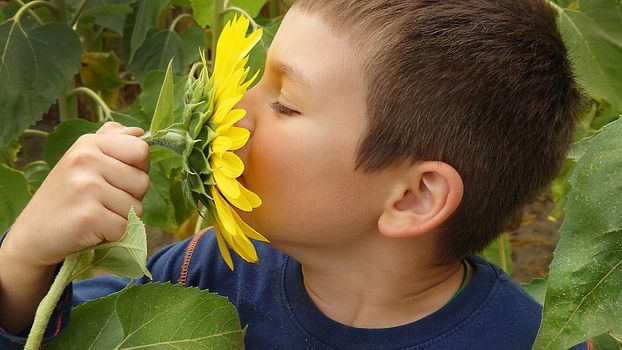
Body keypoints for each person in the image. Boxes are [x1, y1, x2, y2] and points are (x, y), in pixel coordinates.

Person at [0, 0, 587, 348]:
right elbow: (59, 332)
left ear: (412, 197)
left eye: (284, 104)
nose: (232, 114)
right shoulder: (199, 271)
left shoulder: (534, 341)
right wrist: (24, 259)